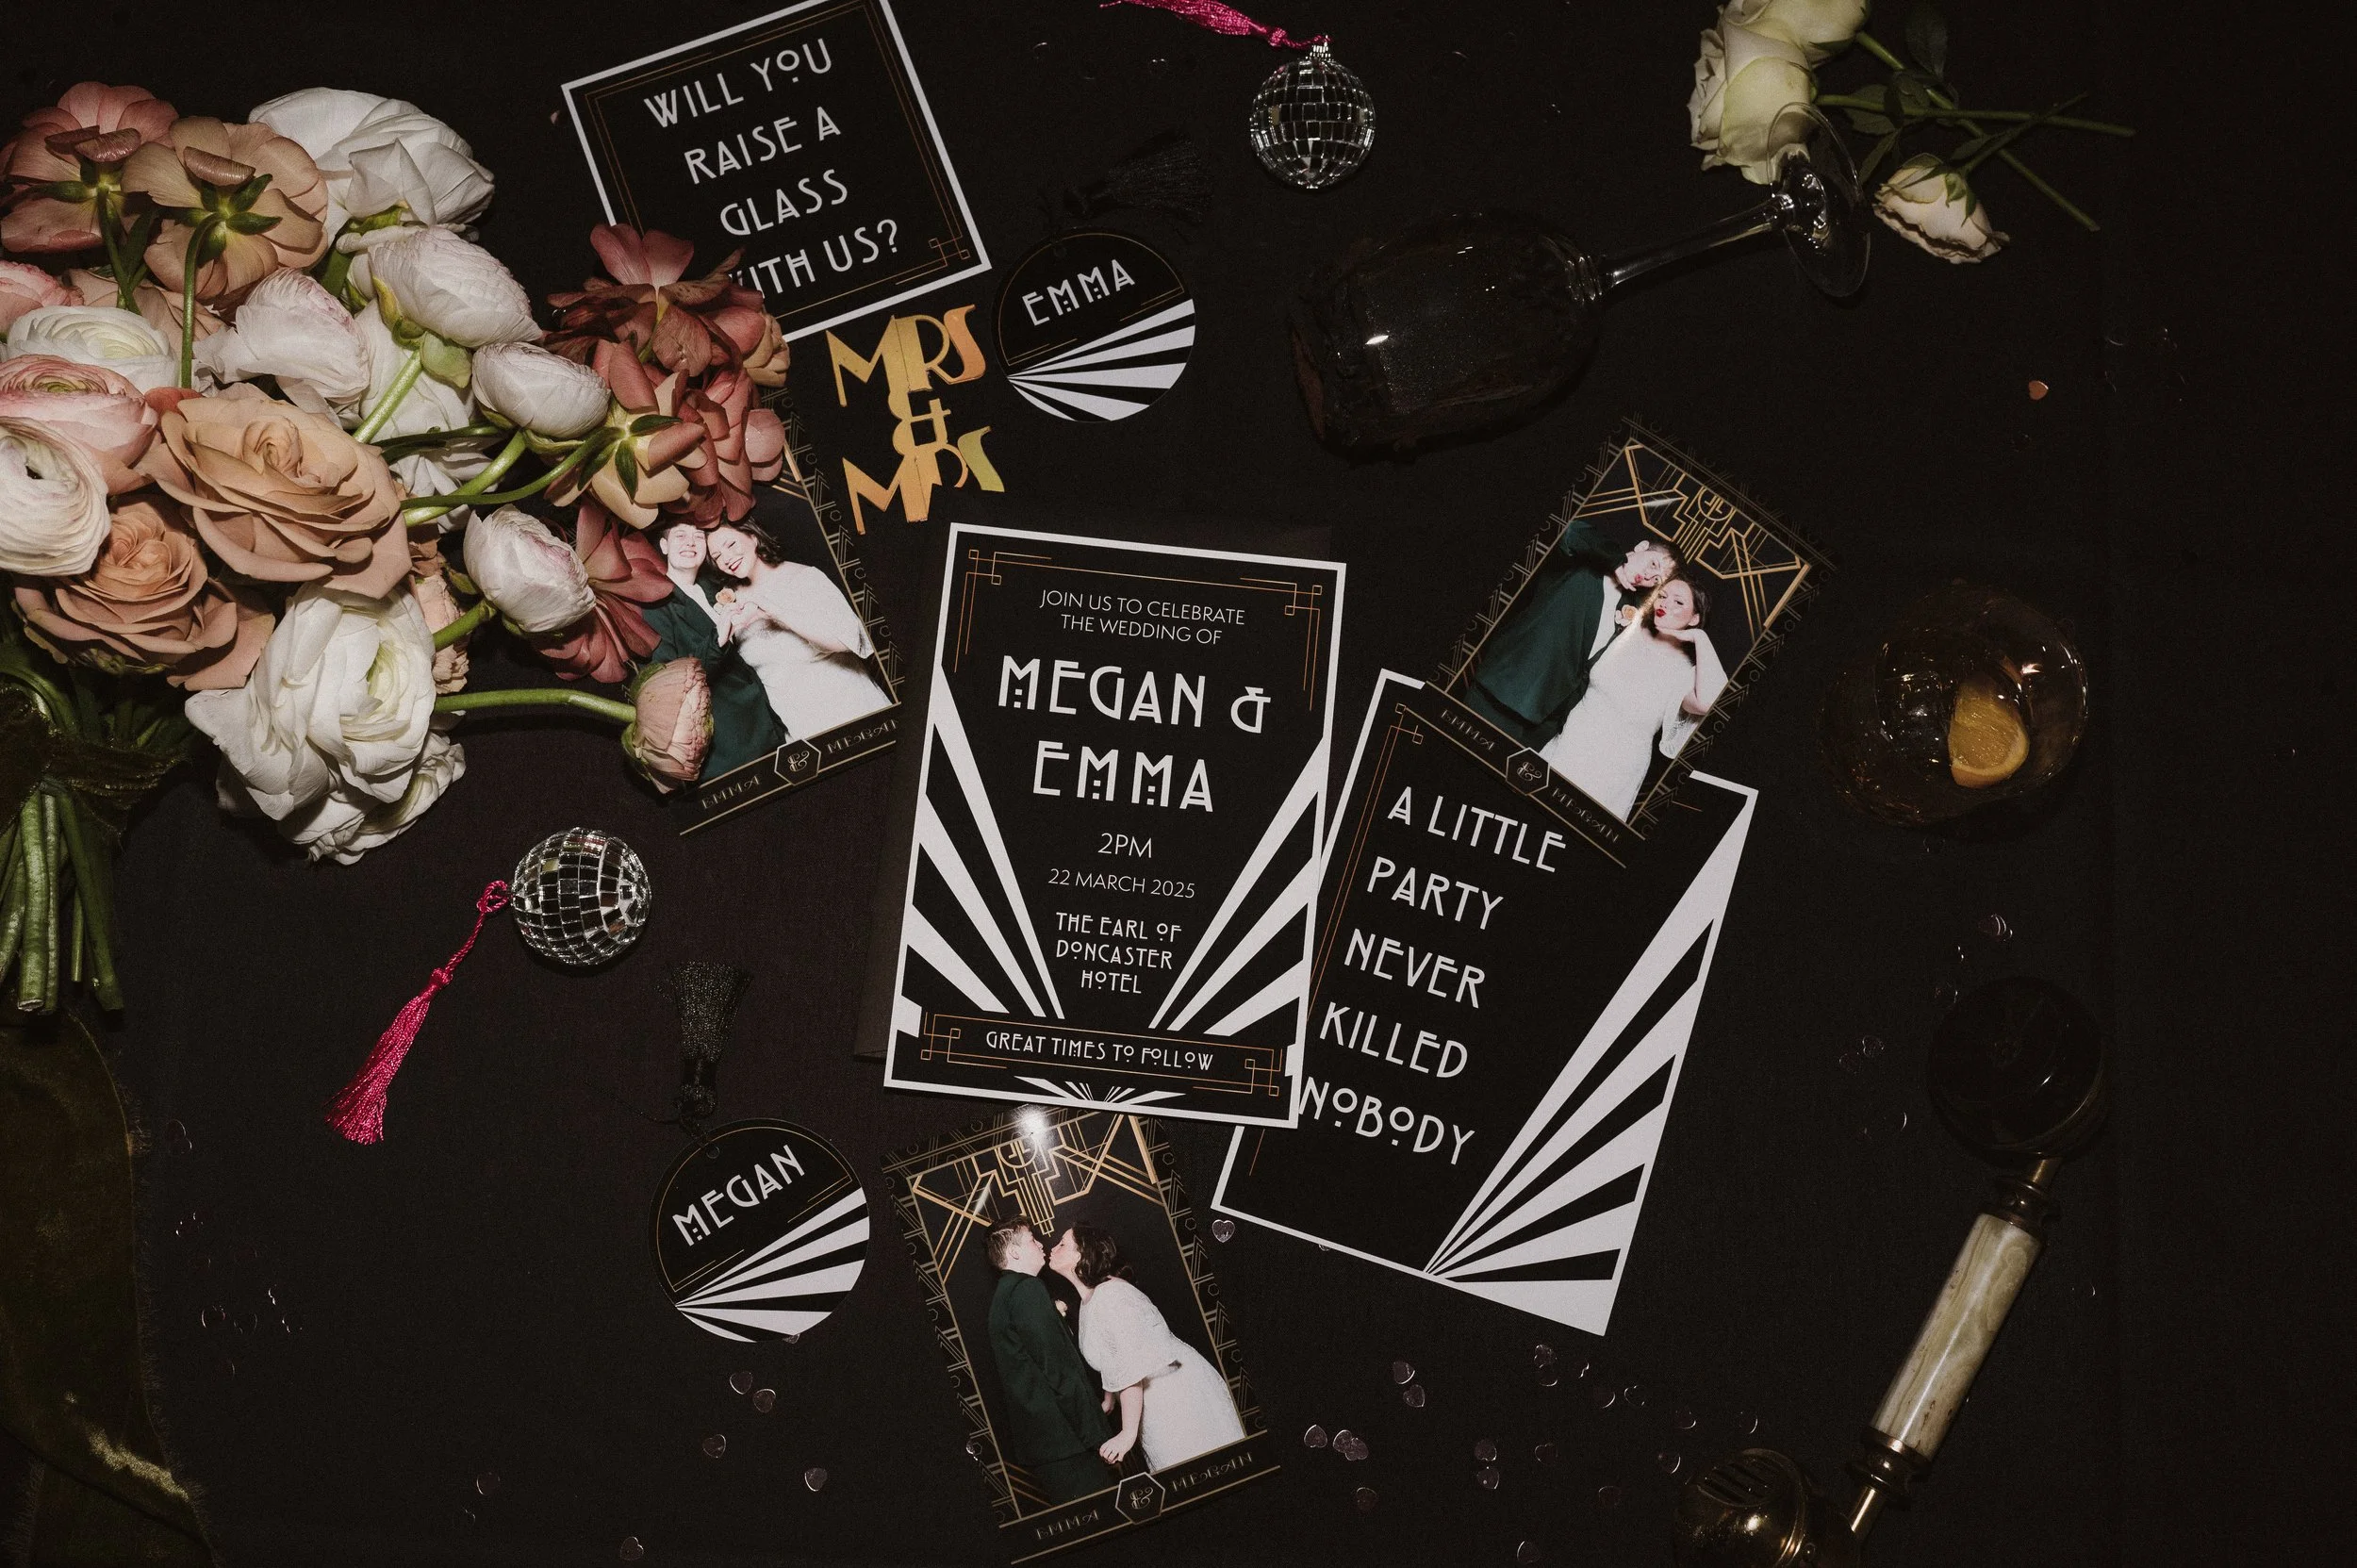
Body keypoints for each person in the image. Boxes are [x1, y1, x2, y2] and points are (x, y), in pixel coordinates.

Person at [1463, 522, 1681, 747]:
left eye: (1657, 579)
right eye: (1653, 563)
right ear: (1641, 546)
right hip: (1502, 696)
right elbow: (1570, 530)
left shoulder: (1632, 607)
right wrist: (1614, 560)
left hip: (1544, 726)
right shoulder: (1580, 564)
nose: (1648, 576)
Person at [1049, 1224, 1244, 1473]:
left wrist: (1127, 1434)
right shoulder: (1091, 1298)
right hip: (1148, 1400)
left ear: (1080, 1255)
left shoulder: (1110, 1297)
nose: (1053, 1248)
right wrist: (1108, 1401)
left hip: (1175, 1397)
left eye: (1062, 1244)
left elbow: (1131, 1366)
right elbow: (1113, 1358)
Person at [1539, 573, 1727, 821]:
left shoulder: (1684, 673)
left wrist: (1699, 638)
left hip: (1616, 771)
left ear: (1695, 618)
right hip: (1571, 744)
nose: (1665, 604)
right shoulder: (1630, 625)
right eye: (1662, 596)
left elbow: (1708, 703)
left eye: (1679, 602)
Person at [705, 516, 892, 741]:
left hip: (851, 710)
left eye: (731, 545)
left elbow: (846, 640)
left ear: (753, 537)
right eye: (717, 556)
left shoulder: (804, 577)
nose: (726, 558)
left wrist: (773, 611)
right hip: (800, 728)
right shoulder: (730, 604)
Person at [640, 519, 786, 778]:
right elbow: (666, 686)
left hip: (767, 722)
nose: (690, 543)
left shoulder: (715, 588)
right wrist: (717, 640)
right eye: (680, 536)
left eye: (698, 537)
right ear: (664, 546)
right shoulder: (655, 607)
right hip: (731, 743)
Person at [985, 1219, 1113, 1505]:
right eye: (1031, 1239)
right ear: (1015, 1253)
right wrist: (1096, 1433)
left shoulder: (1005, 1296)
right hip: (1067, 1443)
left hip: (1049, 1445)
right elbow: (1057, 1370)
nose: (1040, 1244)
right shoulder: (1026, 1290)